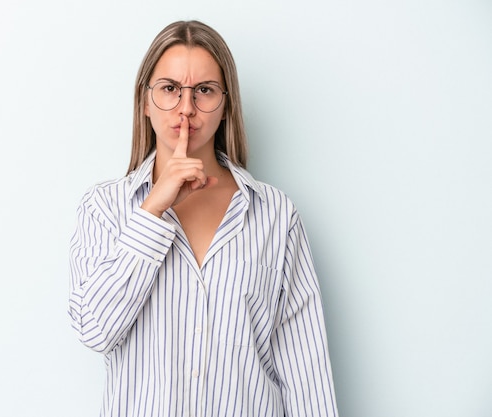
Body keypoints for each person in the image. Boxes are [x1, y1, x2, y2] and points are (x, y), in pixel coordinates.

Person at [69, 20, 339, 417]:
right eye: (170, 89)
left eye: (205, 91)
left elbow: (304, 370)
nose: (186, 108)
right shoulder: (104, 208)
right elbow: (94, 328)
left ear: (226, 105)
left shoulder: (275, 215)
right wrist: (152, 210)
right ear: (145, 102)